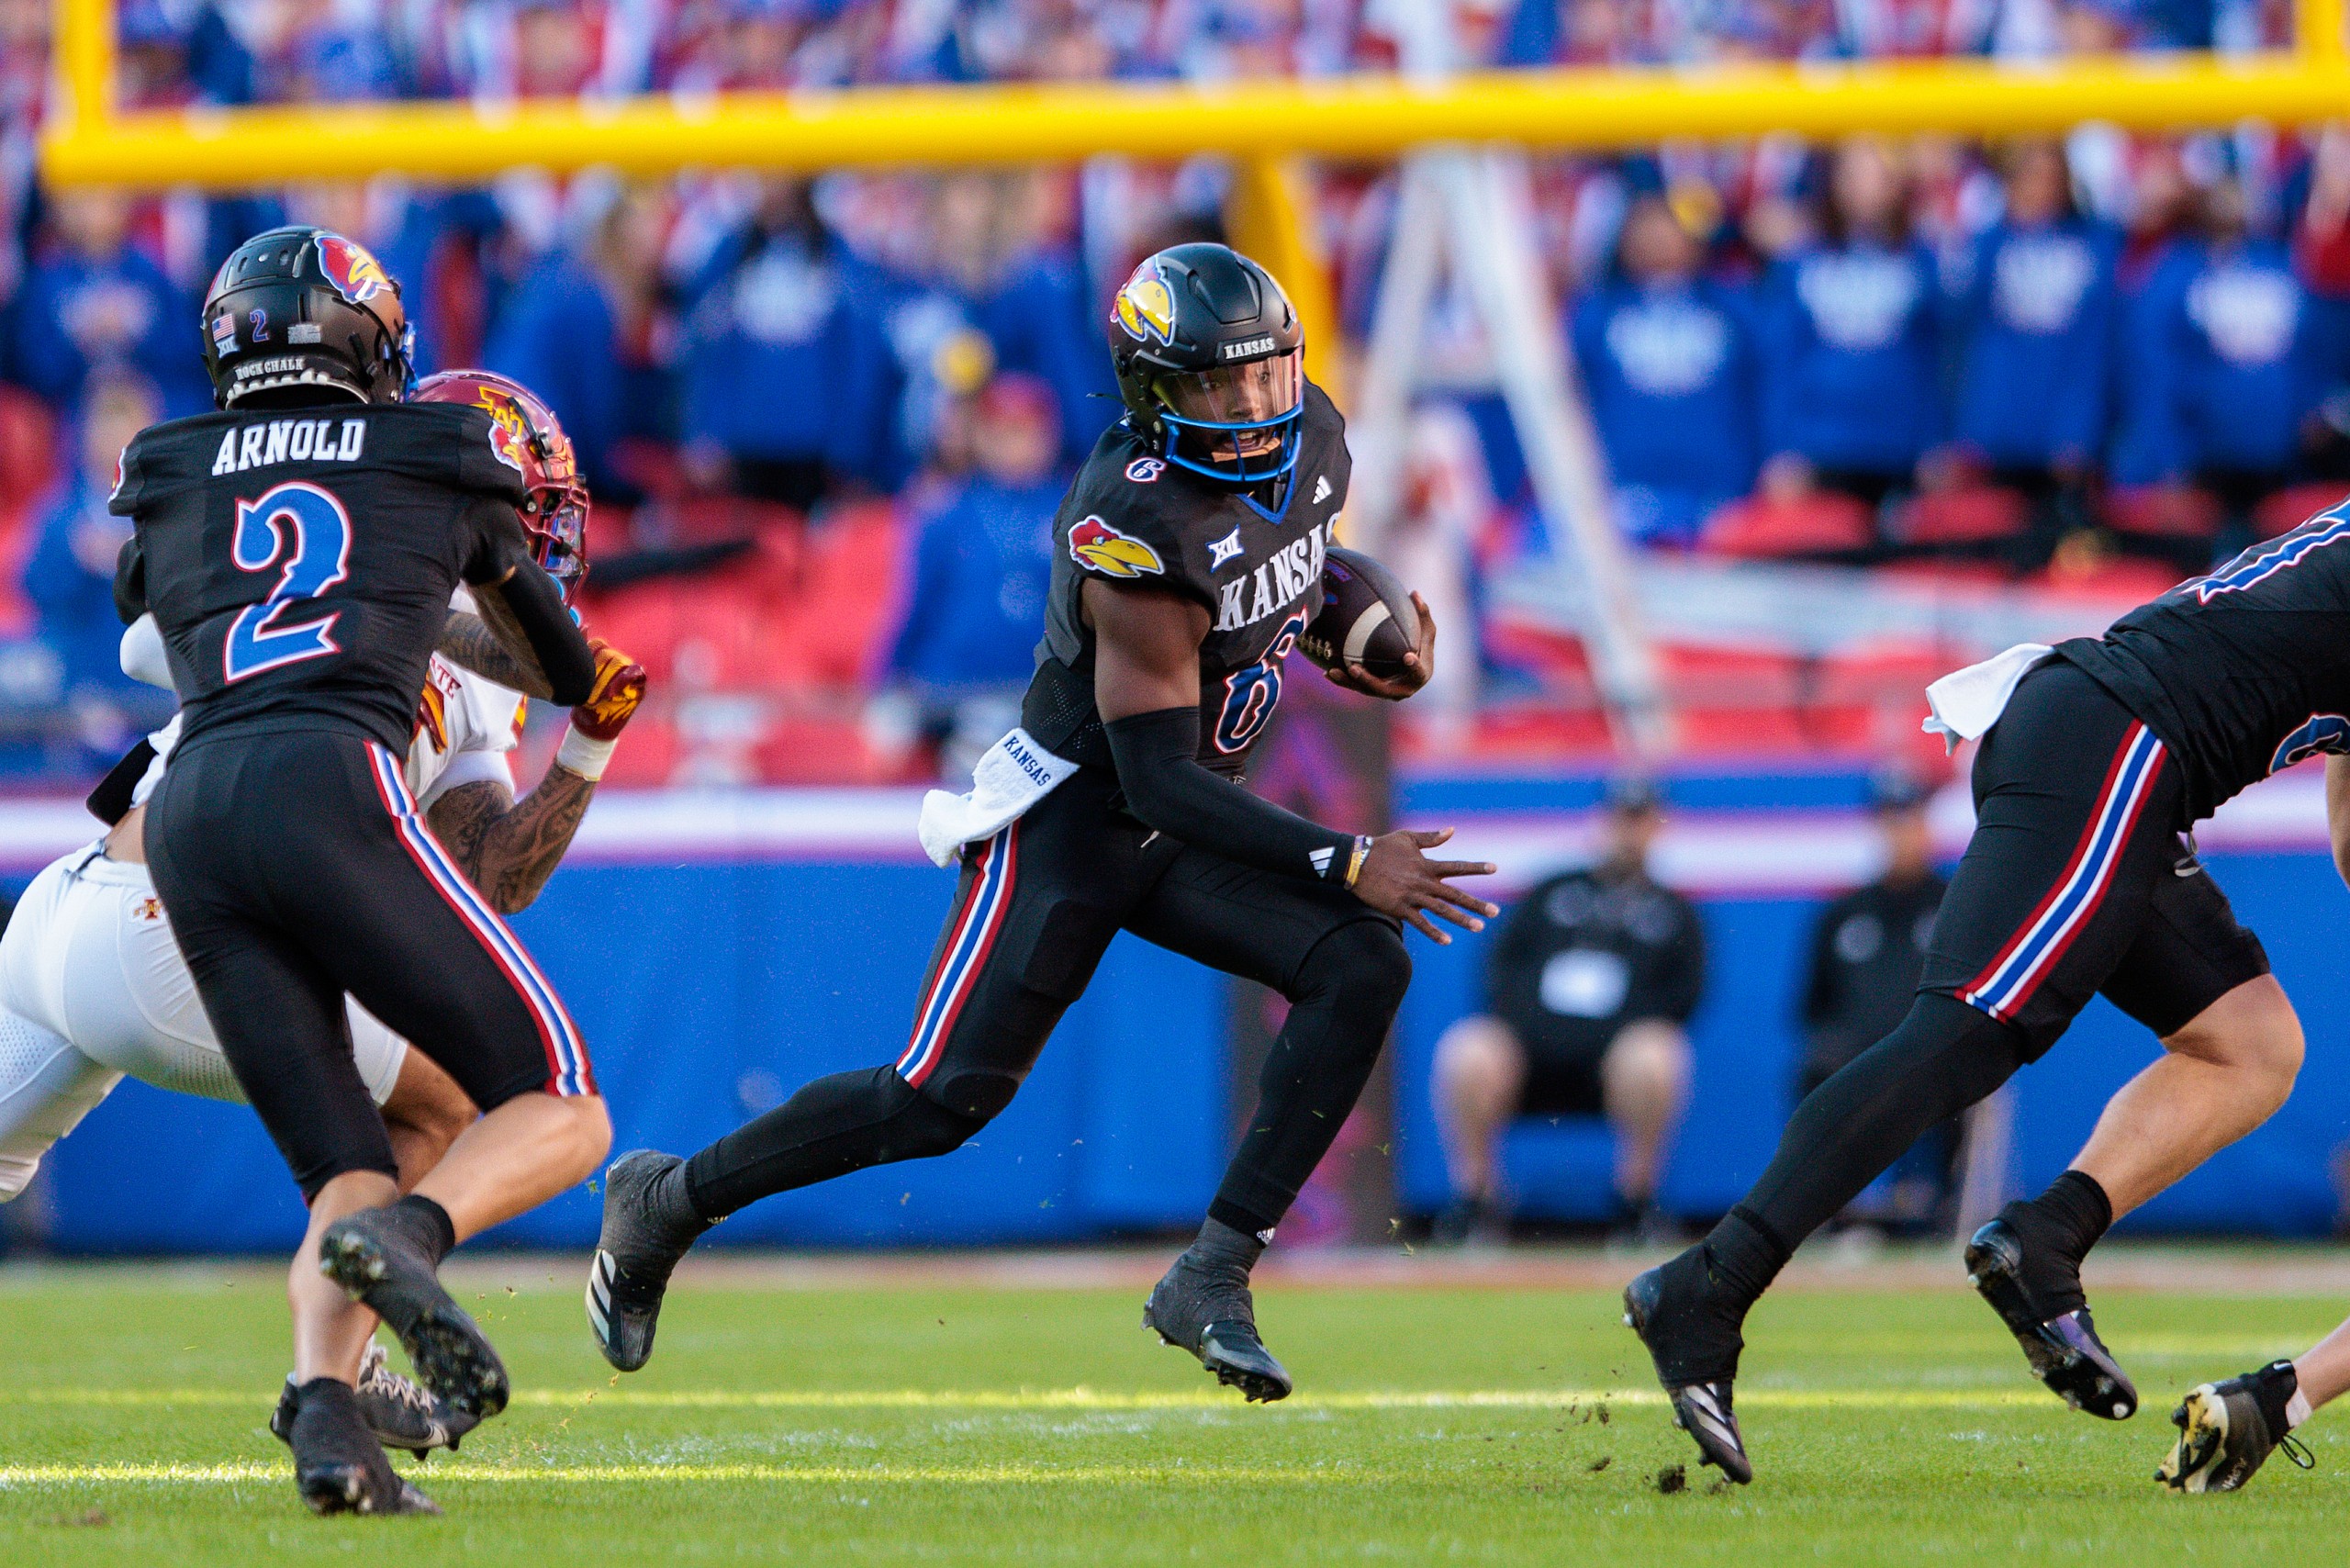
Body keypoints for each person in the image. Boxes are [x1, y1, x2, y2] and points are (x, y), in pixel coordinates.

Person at [586, 241, 1496, 1402]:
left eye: (1265, 377)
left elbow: (1291, 567)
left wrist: (1352, 627)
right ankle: (667, 1196)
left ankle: (1212, 1273)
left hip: (1175, 819)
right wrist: (1347, 854)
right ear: (1152, 392)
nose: (1254, 406)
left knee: (1360, 965)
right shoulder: (1129, 527)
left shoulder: (1312, 438)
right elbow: (1156, 775)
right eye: (1220, 387)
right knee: (935, 1100)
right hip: (1072, 820)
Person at [0, 367, 641, 1462]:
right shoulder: (367, 567)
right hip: (183, 923)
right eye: (523, 504)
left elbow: (485, 872)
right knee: (456, 1112)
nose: (532, 530)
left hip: (72, 921)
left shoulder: (376, 601)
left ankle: (334, 1394)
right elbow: (147, 636)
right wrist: (483, 634)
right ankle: (340, 1371)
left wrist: (585, 742)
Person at [1626, 512, 2343, 1484]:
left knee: (2249, 1045)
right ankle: (1707, 1283)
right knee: (1965, 1032)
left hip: (2112, 744)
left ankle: (2043, 1239)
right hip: (2117, 738)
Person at [116, 226, 611, 1516]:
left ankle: (332, 1430)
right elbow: (560, 665)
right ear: (371, 340)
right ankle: (414, 1241)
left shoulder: (169, 461)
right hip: (325, 785)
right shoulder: (439, 454)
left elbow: (142, 594)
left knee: (346, 1162)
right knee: (561, 1102)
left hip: (191, 822)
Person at [1429, 778, 1703, 1245]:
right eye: (1622, 818)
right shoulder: (1554, 892)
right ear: (1602, 821)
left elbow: (1683, 997)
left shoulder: (1673, 911)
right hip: (1529, 1056)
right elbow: (1501, 970)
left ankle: (1636, 1203)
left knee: (1658, 1053)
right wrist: (1533, 1028)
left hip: (1614, 1064)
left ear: (1659, 829)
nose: (1629, 832)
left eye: (1641, 821)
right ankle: (1476, 1202)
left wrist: (1611, 1032)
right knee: (1468, 1048)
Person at [874, 371, 1065, 779]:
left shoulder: (1073, 511)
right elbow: (916, 602)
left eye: (1025, 431)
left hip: (1038, 689)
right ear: (980, 435)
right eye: (1001, 432)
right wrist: (885, 679)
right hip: (953, 685)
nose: (1013, 444)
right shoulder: (947, 511)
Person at [1793, 769, 1952, 1234]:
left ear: (1926, 825)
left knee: (1963, 1064)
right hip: (1855, 1054)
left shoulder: (1954, 905)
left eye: (1909, 819)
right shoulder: (1843, 913)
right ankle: (1822, 1205)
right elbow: (1812, 1006)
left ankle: (1936, 1203)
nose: (1900, 832)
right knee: (1819, 1065)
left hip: (1932, 1051)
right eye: (1889, 820)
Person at [1572, 194, 1760, 547]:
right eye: (1647, 227)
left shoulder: (1737, 307)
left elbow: (1766, 389)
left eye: (1670, 227)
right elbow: (1570, 397)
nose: (1659, 239)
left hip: (1721, 497)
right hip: (1621, 495)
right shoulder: (1595, 313)